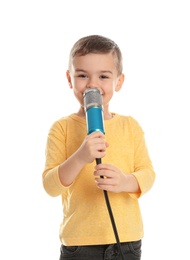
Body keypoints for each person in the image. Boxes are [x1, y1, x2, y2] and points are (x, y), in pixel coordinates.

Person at [42, 35, 156, 260]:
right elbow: (50, 186)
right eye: (82, 75)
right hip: (80, 244)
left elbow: (148, 174)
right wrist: (80, 157)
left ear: (119, 81)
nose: (92, 84)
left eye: (103, 76)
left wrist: (125, 182)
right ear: (69, 78)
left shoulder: (130, 126)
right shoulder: (62, 128)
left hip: (127, 242)